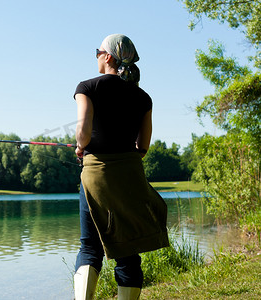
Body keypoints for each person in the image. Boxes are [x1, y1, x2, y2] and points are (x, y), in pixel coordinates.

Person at [73, 34, 169, 300]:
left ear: (108, 56)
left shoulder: (87, 87)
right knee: (127, 250)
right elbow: (144, 145)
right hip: (130, 176)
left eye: (97, 51)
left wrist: (80, 147)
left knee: (90, 248)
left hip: (96, 175)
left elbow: (83, 131)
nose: (96, 56)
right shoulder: (142, 97)